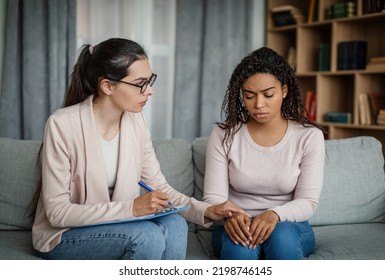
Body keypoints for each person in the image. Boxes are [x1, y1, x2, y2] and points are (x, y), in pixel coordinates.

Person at [30, 38, 246, 260]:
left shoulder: (136, 121)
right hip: (64, 235)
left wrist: (205, 210)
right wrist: (132, 208)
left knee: (175, 224)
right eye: (141, 83)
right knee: (147, 236)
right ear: (107, 86)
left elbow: (160, 188)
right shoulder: (62, 124)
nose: (149, 91)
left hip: (117, 225)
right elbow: (57, 213)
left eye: (150, 80)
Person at [203, 47, 325, 260]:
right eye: (249, 96)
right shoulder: (224, 135)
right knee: (240, 248)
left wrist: (274, 214)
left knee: (282, 238)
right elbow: (213, 197)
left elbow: (308, 201)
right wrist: (230, 217)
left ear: (284, 91)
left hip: (289, 225)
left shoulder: (309, 137)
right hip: (237, 224)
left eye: (268, 95)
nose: (258, 105)